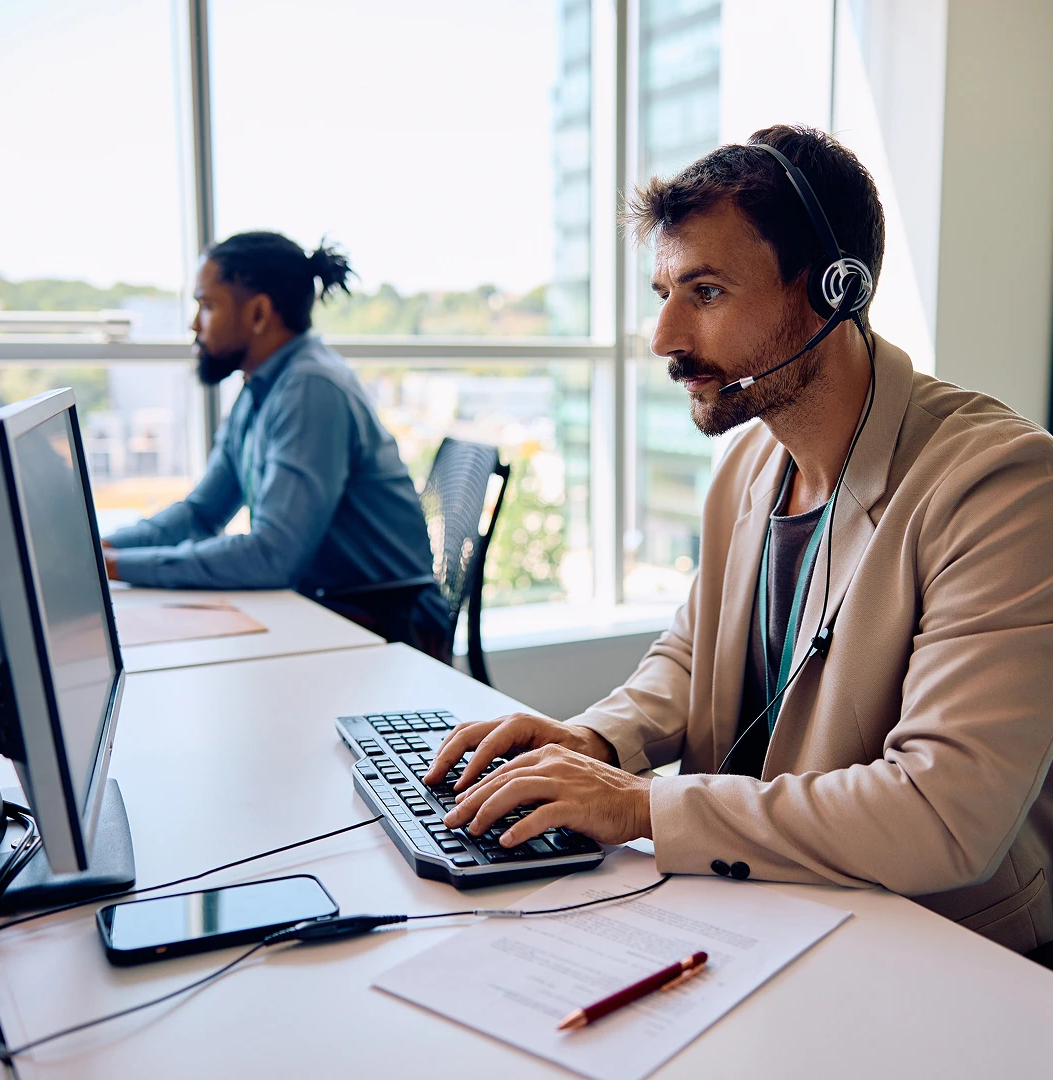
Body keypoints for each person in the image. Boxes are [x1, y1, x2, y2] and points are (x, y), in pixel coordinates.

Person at [424, 125, 1053, 957]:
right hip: (766, 915)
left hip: (939, 952)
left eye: (707, 292)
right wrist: (595, 741)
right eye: (664, 293)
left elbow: (944, 813)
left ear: (835, 289)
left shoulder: (1002, 486)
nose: (665, 339)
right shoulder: (754, 460)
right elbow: (690, 661)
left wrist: (640, 807)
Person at [103, 231, 449, 656]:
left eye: (207, 306)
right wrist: (106, 548)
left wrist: (117, 568)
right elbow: (200, 513)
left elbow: (272, 555)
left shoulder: (310, 388)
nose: (195, 324)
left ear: (259, 313)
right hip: (329, 608)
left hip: (388, 625)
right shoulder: (260, 389)